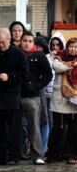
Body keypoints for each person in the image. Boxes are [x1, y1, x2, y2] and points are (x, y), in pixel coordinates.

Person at [0, 28, 28, 165]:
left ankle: (14, 156)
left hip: (12, 96)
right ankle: (1, 155)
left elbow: (24, 75)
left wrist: (9, 77)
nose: (0, 45)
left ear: (8, 39)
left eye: (2, 42)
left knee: (14, 128)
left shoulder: (18, 54)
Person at [19, 32, 52, 165]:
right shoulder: (17, 55)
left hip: (32, 97)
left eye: (29, 41)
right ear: (21, 42)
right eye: (24, 40)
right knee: (17, 126)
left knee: (34, 127)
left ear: (33, 43)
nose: (27, 43)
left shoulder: (39, 56)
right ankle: (17, 153)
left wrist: (36, 86)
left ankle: (38, 154)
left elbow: (47, 75)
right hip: (16, 95)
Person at [47, 37, 77, 164]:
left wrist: (68, 66)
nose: (73, 49)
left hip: (74, 97)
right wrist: (71, 65)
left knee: (73, 128)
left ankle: (71, 154)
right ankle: (53, 154)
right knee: (57, 127)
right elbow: (56, 67)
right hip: (60, 97)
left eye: (76, 47)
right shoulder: (59, 56)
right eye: (71, 46)